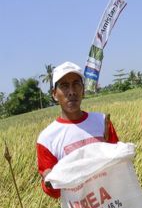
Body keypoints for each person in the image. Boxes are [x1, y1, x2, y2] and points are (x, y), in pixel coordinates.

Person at [36, 62, 119, 198]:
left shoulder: (102, 122)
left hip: (113, 201)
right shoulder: (47, 139)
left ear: (83, 90)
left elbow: (118, 165)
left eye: (76, 84)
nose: (72, 92)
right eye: (64, 86)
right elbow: (54, 193)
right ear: (54, 94)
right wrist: (50, 182)